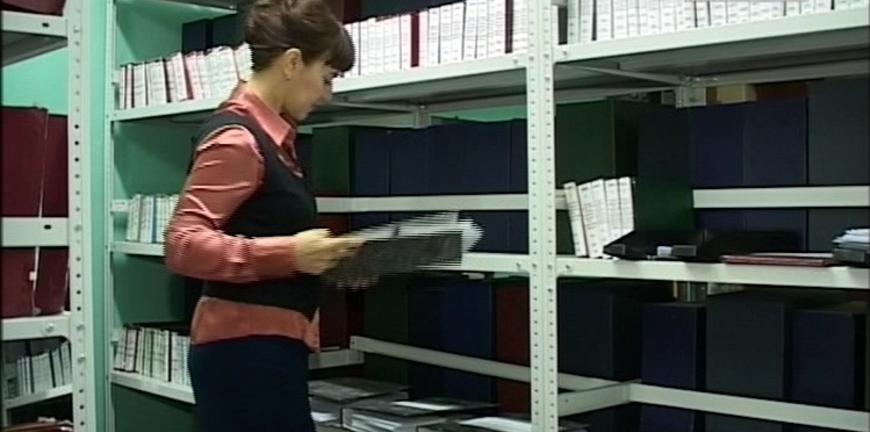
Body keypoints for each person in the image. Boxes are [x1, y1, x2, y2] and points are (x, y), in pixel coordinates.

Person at [163, 0, 363, 430]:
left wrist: (326, 260)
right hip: (244, 355)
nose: (327, 94)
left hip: (265, 350)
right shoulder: (238, 140)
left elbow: (261, 225)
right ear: (292, 63)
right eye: (327, 77)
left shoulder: (275, 139)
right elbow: (182, 244)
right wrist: (288, 255)